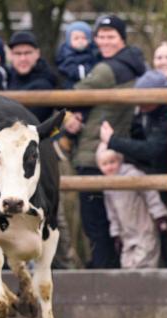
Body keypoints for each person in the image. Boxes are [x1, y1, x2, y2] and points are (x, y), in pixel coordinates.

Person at [63, 14, 146, 269]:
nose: (104, 41)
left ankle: (100, 276)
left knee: (96, 224)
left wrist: (69, 115)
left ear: (122, 38)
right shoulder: (133, 64)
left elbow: (73, 94)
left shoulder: (107, 69)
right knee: (114, 224)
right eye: (100, 36)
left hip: (93, 154)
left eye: (111, 36)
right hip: (113, 150)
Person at [99, 69, 167, 267]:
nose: (139, 103)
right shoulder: (144, 113)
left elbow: (153, 149)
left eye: (144, 99)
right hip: (150, 177)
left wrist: (113, 141)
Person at [97, 147, 167, 269]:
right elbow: (112, 213)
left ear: (119, 161)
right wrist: (115, 233)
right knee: (127, 263)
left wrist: (159, 215)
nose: (109, 167)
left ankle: (147, 286)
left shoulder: (133, 175)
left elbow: (150, 194)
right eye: (104, 164)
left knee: (146, 260)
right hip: (126, 232)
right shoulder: (107, 186)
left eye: (112, 162)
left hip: (144, 227)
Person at [7, 30, 57, 122]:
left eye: (28, 53)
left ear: (37, 53)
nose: (23, 58)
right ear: (11, 55)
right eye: (18, 53)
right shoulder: (4, 77)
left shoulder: (45, 83)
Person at [55, 21, 100, 89]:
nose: (80, 41)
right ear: (68, 40)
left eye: (84, 38)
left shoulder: (94, 53)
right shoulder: (64, 55)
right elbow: (66, 70)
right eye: (76, 38)